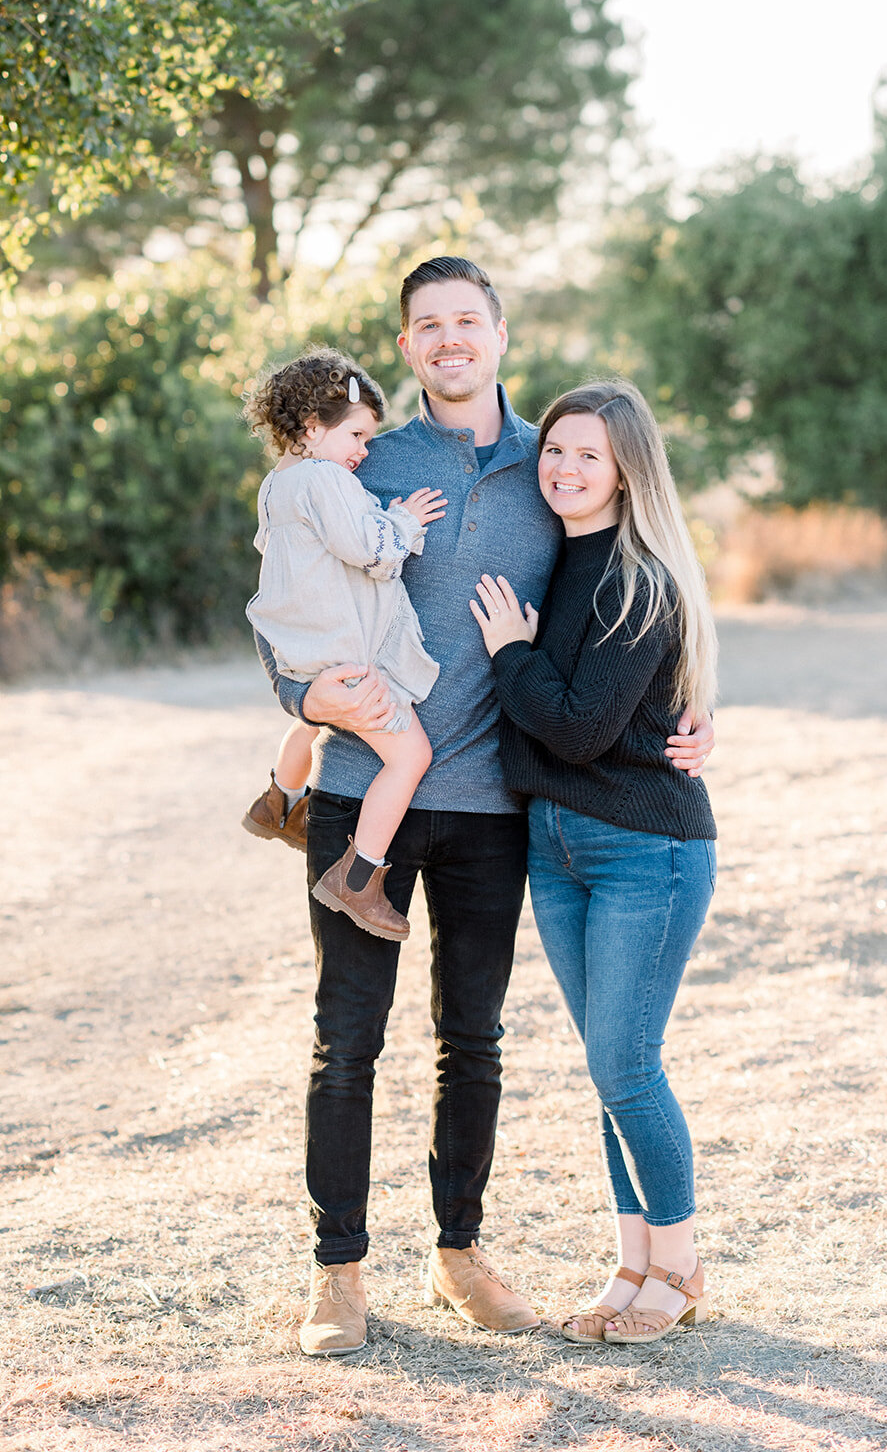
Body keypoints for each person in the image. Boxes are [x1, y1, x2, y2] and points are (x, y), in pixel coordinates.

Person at [254, 258, 715, 1356]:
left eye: (468, 319)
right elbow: (292, 610)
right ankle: (339, 1275)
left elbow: (628, 598)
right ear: (405, 347)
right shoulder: (360, 459)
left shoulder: (560, 460)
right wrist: (299, 694)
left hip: (500, 804)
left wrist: (689, 715)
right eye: (427, 325)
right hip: (366, 788)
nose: (449, 339)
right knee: (345, 1039)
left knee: (475, 1040)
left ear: (501, 332)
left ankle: (460, 1252)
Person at [471, 379, 717, 1346]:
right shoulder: (555, 559)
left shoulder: (636, 577)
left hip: (643, 849)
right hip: (555, 845)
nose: (565, 469)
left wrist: (511, 654)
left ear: (626, 473)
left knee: (627, 1065)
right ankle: (634, 1260)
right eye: (556, 451)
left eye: (589, 456)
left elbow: (575, 729)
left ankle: (682, 1264)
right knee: (606, 1068)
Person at [242, 349, 446, 939]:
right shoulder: (327, 479)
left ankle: (278, 800)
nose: (363, 450)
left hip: (304, 655)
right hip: (345, 660)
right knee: (410, 757)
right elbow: (372, 552)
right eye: (356, 434)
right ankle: (358, 876)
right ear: (312, 427)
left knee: (314, 719)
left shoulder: (277, 483)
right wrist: (403, 521)